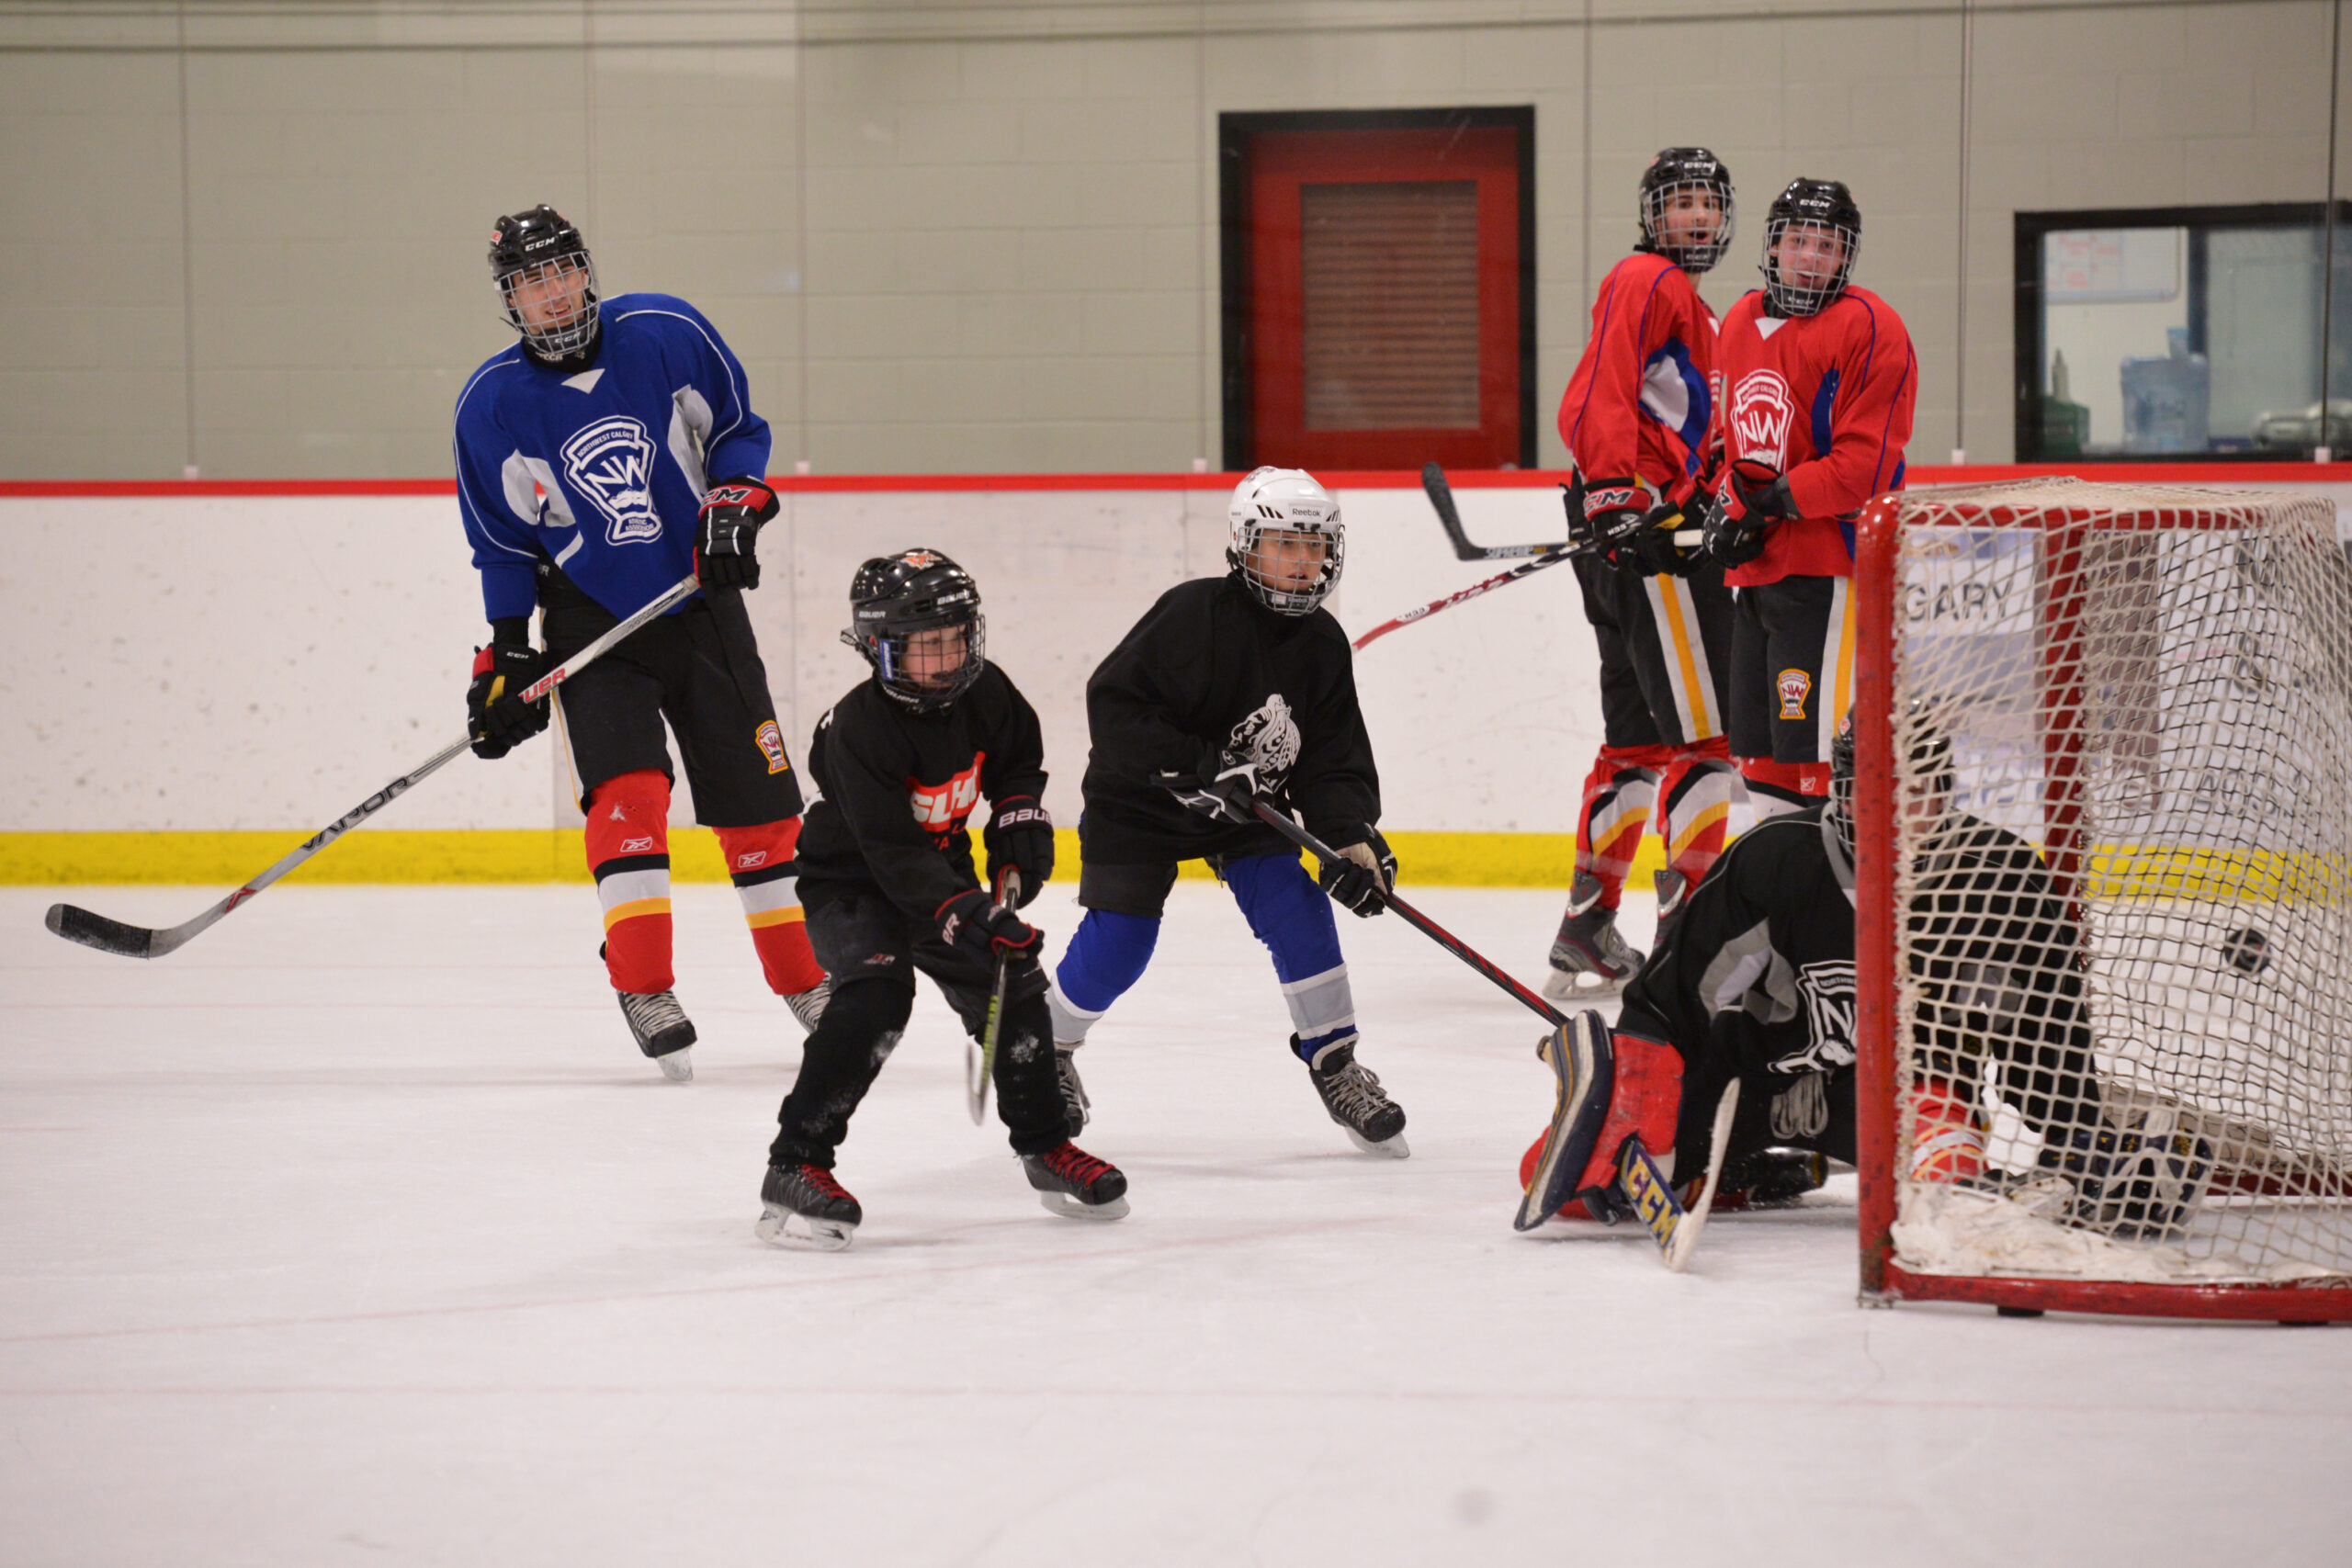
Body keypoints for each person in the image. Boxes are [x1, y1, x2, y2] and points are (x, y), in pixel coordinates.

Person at [1515, 710, 2200, 1238]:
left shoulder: (2000, 881)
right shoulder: (1774, 864)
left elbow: (2044, 1045)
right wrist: (1638, 1096)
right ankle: (1732, 1169)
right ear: (1838, 792)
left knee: (1945, 1185)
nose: (1889, 813)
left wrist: (2082, 1142)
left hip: (1904, 1095)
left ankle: (1924, 1163)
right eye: (1867, 790)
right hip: (1747, 1084)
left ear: (1944, 792)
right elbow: (1669, 1005)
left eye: (1914, 793)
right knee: (1580, 1187)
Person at [454, 204, 828, 1083]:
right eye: (530, 283)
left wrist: (733, 504)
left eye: (561, 271)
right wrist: (507, 652)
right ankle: (644, 984)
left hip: (700, 598)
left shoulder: (665, 331)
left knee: (761, 806)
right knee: (626, 796)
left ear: (586, 270)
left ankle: (806, 980)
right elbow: (501, 543)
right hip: (589, 617)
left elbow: (736, 429)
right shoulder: (490, 404)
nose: (552, 294)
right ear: (509, 300)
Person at [756, 550, 1126, 1250]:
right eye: (927, 645)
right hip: (851, 882)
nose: (948, 658)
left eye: (957, 638)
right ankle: (795, 1161)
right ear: (877, 647)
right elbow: (892, 851)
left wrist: (1017, 827)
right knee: (875, 998)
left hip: (938, 869)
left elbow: (1017, 764)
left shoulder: (987, 691)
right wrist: (972, 911)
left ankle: (1046, 1145)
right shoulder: (857, 729)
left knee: (1013, 978)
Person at [1045, 467, 1410, 1157]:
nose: (1302, 561)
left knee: (1297, 909)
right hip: (1141, 800)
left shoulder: (1322, 643)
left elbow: (1330, 758)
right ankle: (1047, 1047)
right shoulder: (1193, 615)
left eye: (1314, 546)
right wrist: (1197, 764)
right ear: (1246, 546)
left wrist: (1349, 836)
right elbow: (1115, 706)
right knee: (1122, 943)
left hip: (1246, 807)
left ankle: (1335, 1060)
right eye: (1285, 544)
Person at [1546, 147, 1747, 999]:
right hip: (1646, 532)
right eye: (1681, 202)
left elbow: (1689, 431)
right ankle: (1688, 943)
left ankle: (1587, 926)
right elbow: (1599, 389)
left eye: (1709, 203)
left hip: (1634, 530)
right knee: (1707, 739)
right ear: (1652, 214)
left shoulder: (1699, 311)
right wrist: (1617, 495)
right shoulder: (1647, 279)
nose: (1697, 217)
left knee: (1636, 743)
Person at [1700, 178, 1917, 819]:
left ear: (1846, 256)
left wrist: (1769, 503)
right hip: (1758, 573)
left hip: (1831, 571)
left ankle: (1834, 884)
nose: (1812, 258)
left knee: (1822, 758)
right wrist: (1724, 503)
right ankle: (1778, 882)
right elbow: (1729, 438)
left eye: (1828, 246)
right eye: (1799, 241)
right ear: (1773, 245)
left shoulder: (1871, 326)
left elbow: (1866, 467)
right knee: (1761, 759)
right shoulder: (1739, 320)